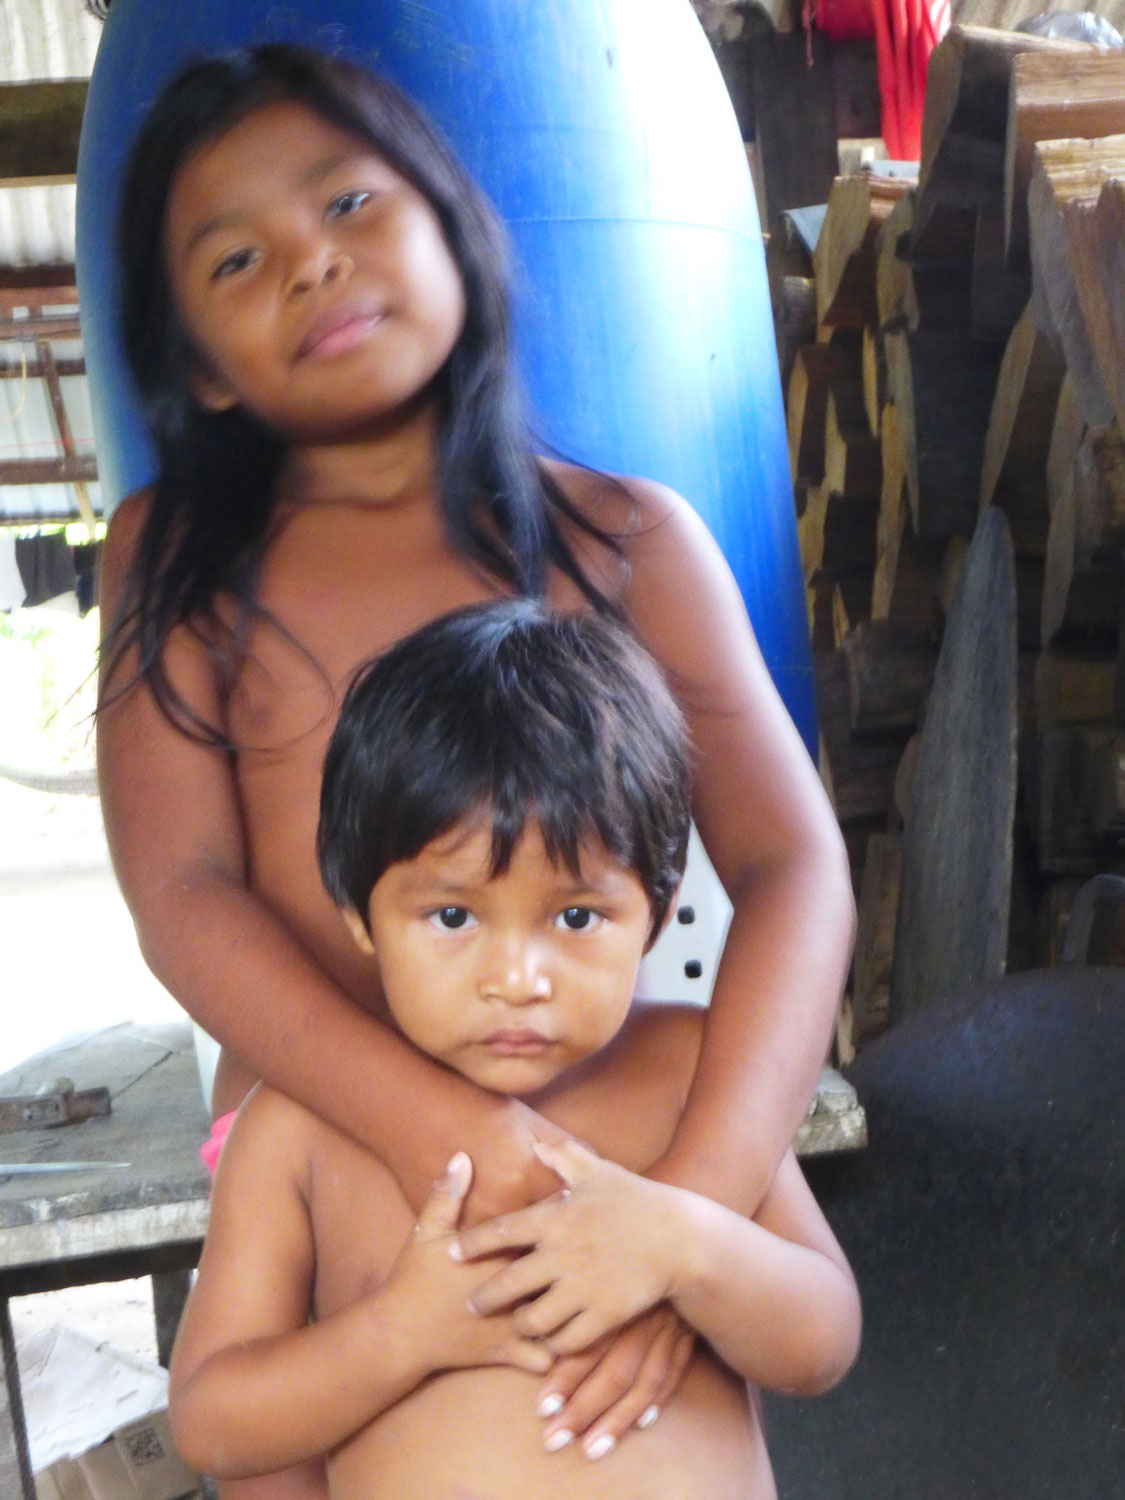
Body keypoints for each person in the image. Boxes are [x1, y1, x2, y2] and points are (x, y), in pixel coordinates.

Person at [97, 42, 855, 1464]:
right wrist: (445, 1127)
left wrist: (681, 1214)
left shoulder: (627, 538)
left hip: (621, 1137)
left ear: (455, 221)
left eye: (347, 207)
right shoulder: (182, 563)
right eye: (237, 261)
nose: (311, 267)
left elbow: (795, 864)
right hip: (314, 1139)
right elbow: (183, 894)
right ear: (194, 364)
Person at [168, 600, 861, 1500]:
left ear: (654, 909)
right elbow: (211, 1419)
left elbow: (821, 1342)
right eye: (452, 916)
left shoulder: (688, 1076)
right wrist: (400, 1333)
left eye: (576, 916)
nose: (517, 978)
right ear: (359, 917)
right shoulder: (301, 1127)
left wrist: (687, 1244)